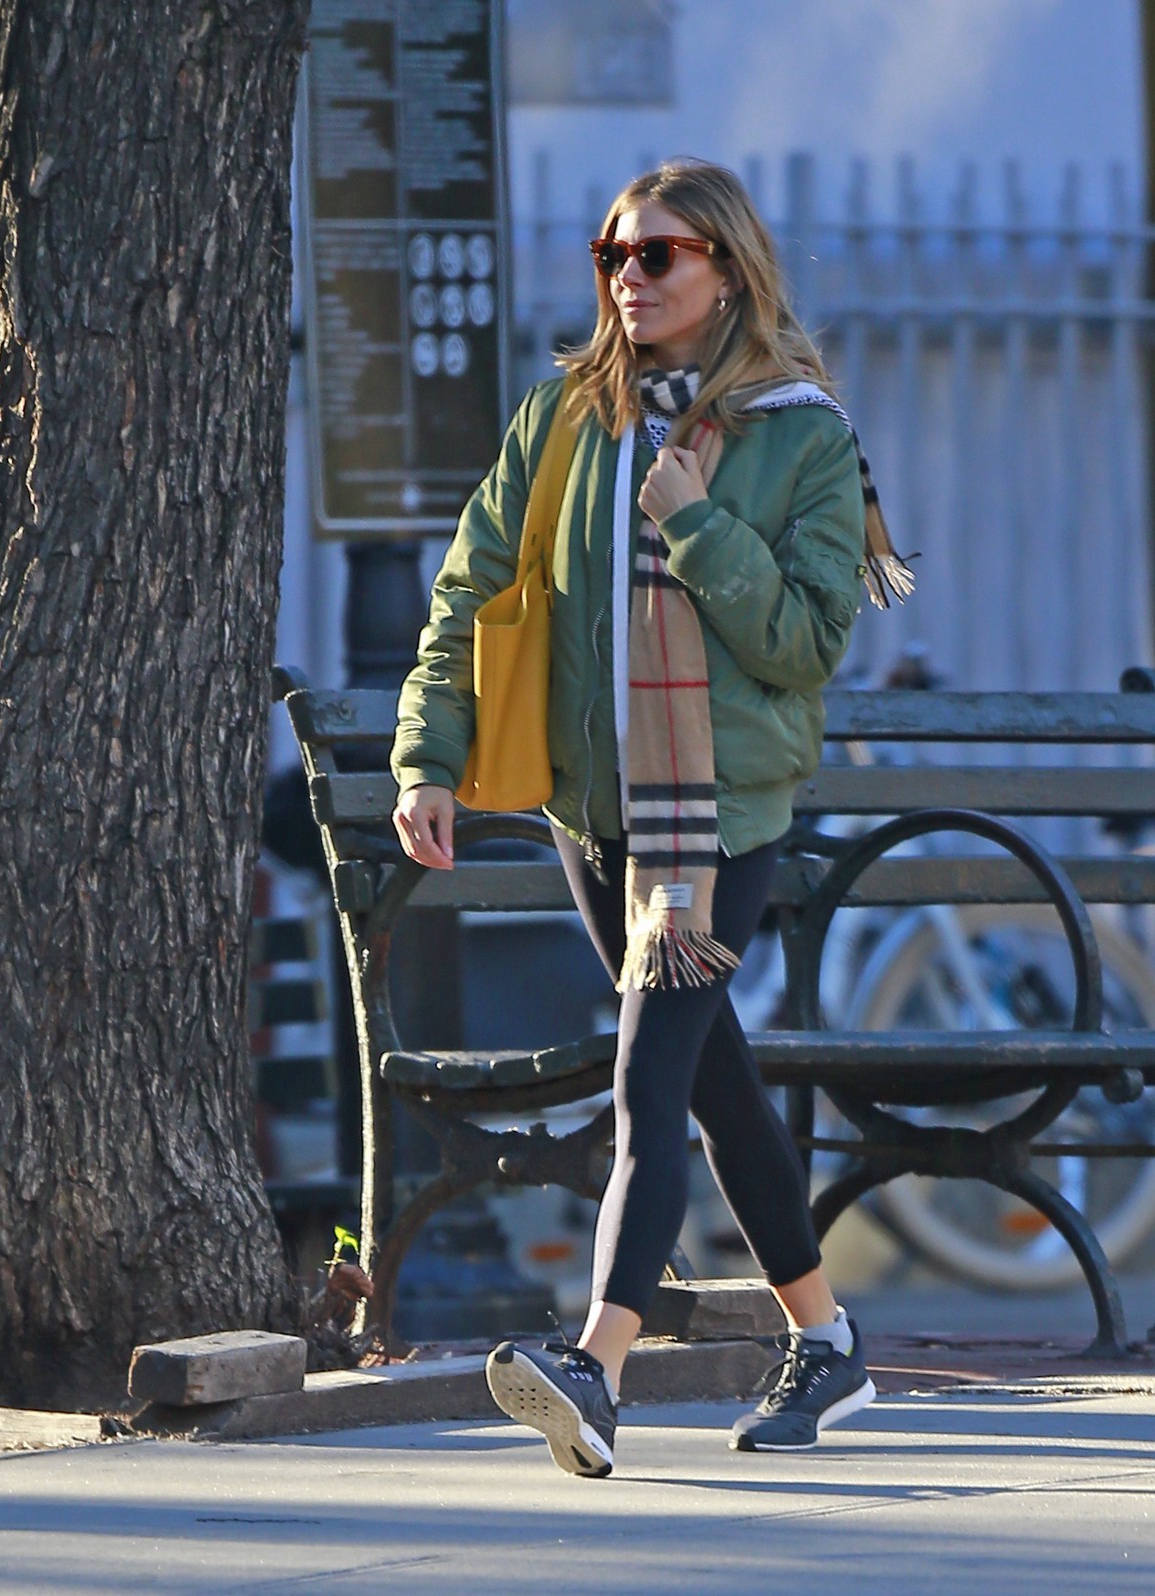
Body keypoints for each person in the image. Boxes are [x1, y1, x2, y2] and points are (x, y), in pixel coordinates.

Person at [389, 160, 903, 1478]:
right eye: (613, 253)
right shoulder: (568, 418)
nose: (631, 275)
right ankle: (828, 1340)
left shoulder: (803, 436)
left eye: (659, 253)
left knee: (649, 1081)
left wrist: (698, 523)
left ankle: (595, 1367)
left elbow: (804, 644)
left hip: (718, 818)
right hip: (596, 810)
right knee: (714, 1083)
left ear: (727, 270)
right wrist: (427, 759)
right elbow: (470, 590)